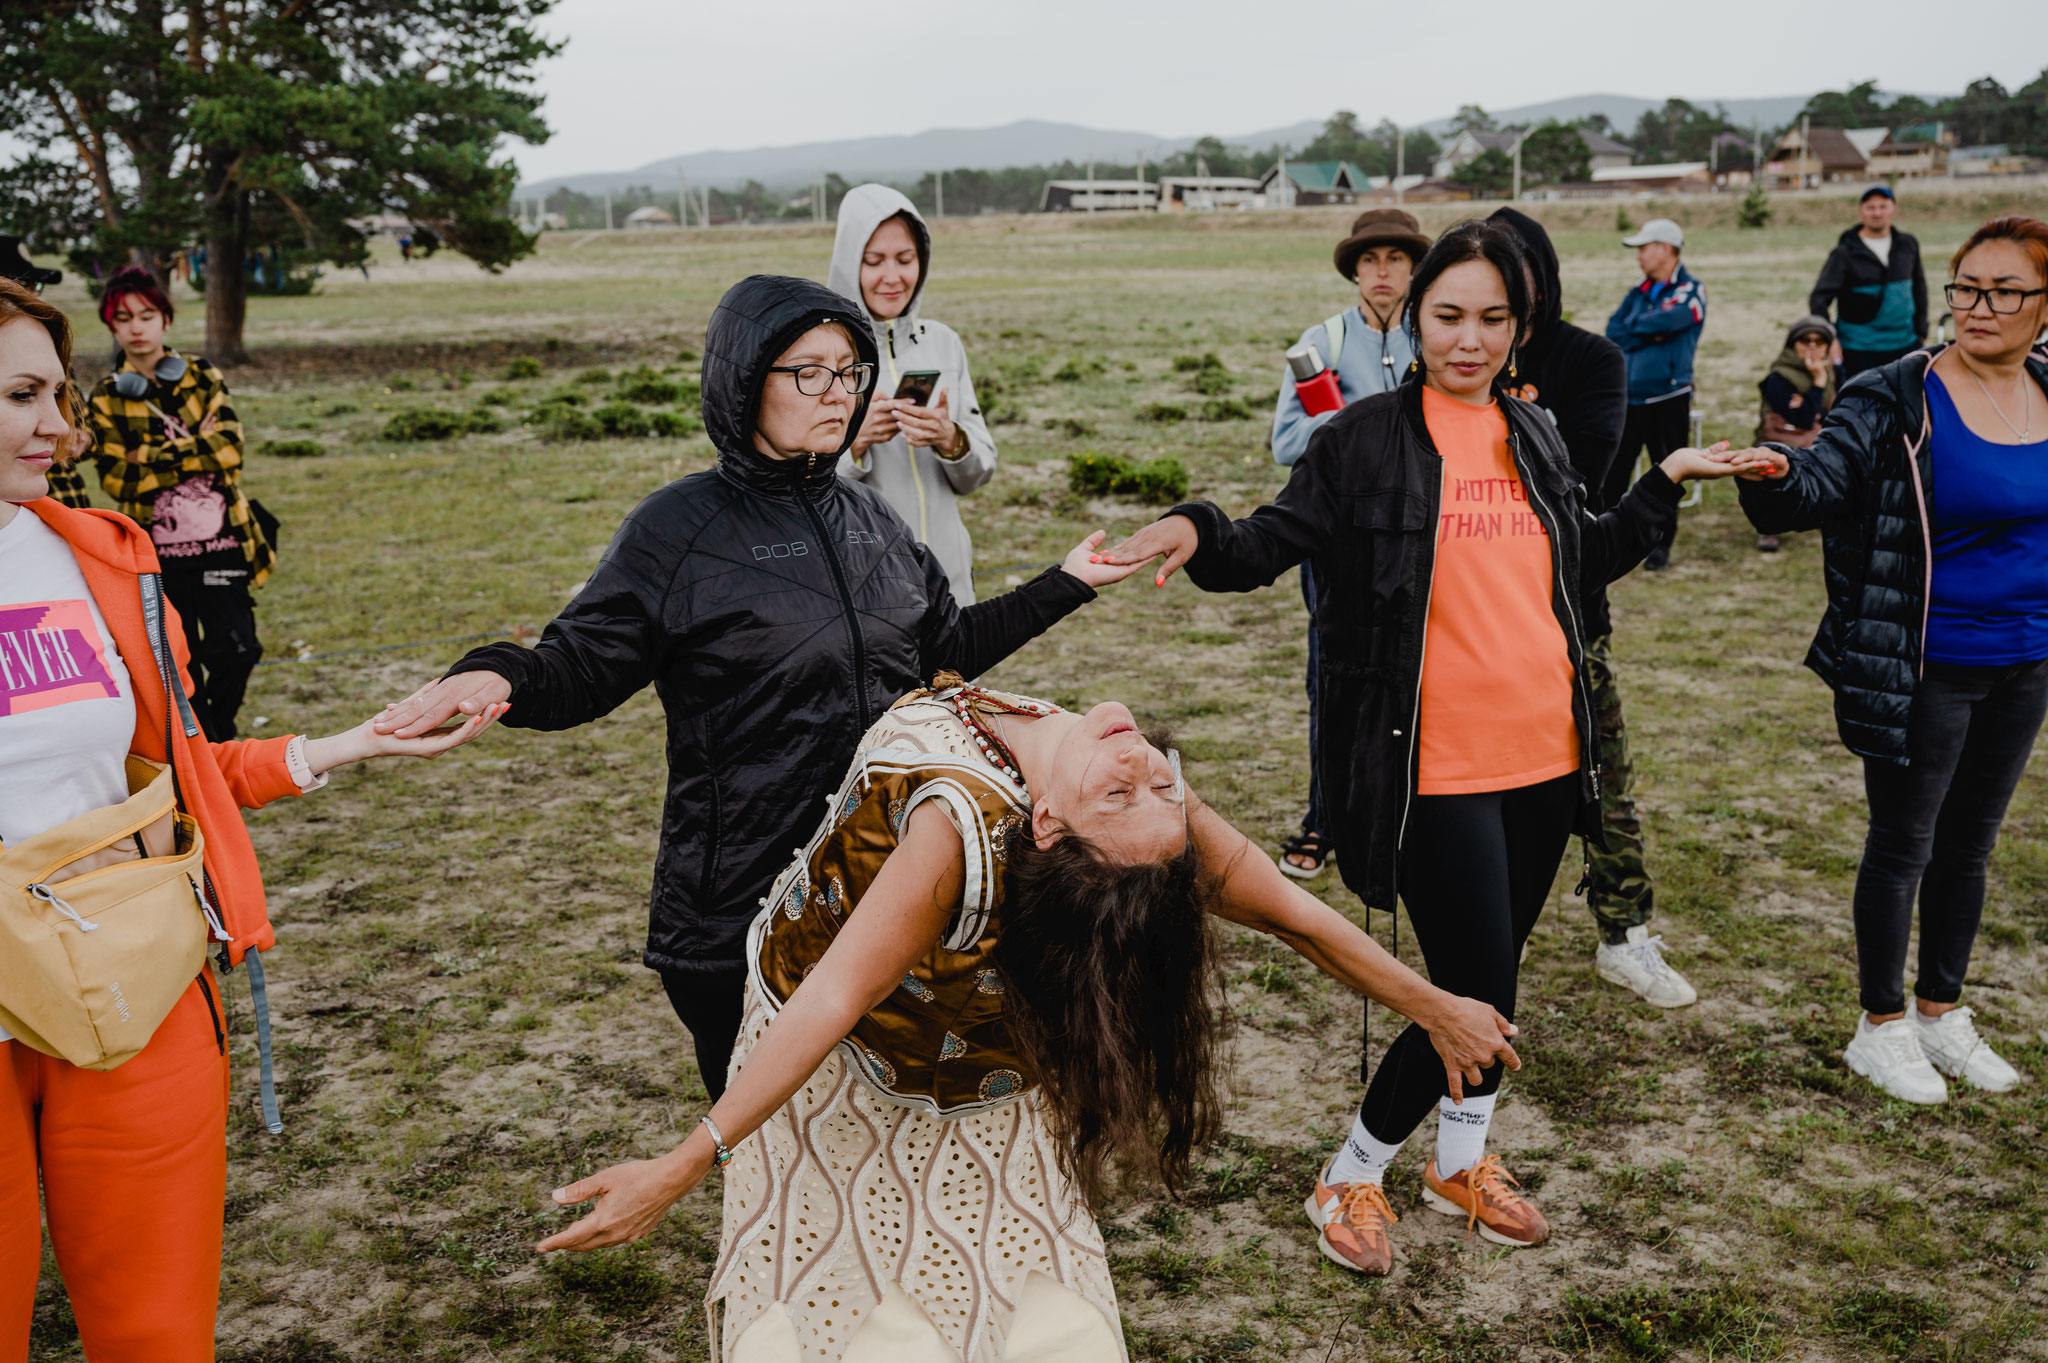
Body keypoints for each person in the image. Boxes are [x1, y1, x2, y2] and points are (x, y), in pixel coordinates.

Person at [1099, 220, 1761, 1270]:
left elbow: (1583, 556)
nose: (1469, 338)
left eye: (1491, 318)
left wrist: (1664, 479)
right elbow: (1271, 542)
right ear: (1413, 317)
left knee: (1491, 989)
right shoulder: (1361, 440)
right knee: (1467, 998)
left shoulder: (1531, 433)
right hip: (1433, 766)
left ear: (1519, 325)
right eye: (1447, 315)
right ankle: (1349, 1175)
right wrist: (1196, 526)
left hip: (1544, 758)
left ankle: (1459, 1161)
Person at [533, 677, 1525, 1359]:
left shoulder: (983, 825)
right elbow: (836, 1001)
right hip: (845, 1075)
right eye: (1141, 783)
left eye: (1142, 784)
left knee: (1028, 1318)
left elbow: (1287, 910)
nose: (1143, 763)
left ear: (1049, 824)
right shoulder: (1089, 810)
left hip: (976, 1084)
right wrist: (1437, 1005)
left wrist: (685, 1158)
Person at [374, 275, 1130, 1107]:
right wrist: (498, 670)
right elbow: (577, 667)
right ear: (743, 381)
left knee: (868, 1146)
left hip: (875, 886)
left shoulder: (873, 518)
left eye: (849, 371)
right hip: (735, 910)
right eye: (808, 372)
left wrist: (1067, 581)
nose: (837, 392)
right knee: (766, 1151)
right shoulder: (677, 529)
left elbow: (944, 651)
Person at [0, 276, 502, 1361]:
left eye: (58, 392)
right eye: (22, 396)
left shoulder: (98, 557)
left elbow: (185, 765)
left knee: (157, 1334)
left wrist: (346, 745)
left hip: (132, 985)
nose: (58, 425)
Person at [1735, 215, 2048, 1105]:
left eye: (2004, 292)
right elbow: (1826, 473)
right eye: (1965, 288)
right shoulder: (1897, 394)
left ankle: (1942, 1009)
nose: (1978, 308)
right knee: (1905, 842)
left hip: (2027, 657)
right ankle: (1880, 1025)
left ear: (2044, 307)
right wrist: (1775, 472)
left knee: (1974, 845)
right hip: (1922, 661)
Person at [1490, 208, 1696, 1009]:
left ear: (1539, 277)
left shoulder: (1590, 358)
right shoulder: (1453, 357)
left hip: (1568, 608)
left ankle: (1626, 935)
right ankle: (1482, 934)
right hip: (1466, 611)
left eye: (1512, 272)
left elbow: (1575, 478)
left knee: (1601, 769)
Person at [47, 266, 275, 743]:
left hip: (222, 546)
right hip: (159, 559)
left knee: (238, 649)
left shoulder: (202, 375)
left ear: (165, 319)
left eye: (147, 315)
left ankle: (221, 728)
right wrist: (196, 447)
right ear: (111, 326)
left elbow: (229, 452)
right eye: (124, 317)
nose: (136, 327)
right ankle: (210, 746)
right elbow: (118, 481)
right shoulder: (109, 397)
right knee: (179, 660)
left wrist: (146, 457)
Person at [1270, 208, 1428, 879]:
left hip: (1424, 536)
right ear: (1354, 269)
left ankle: (1412, 815)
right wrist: (1354, 422)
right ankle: (1324, 817)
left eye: (1396, 258)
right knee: (1334, 679)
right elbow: (1284, 444)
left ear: (1416, 267)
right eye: (1370, 260)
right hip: (1338, 545)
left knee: (1420, 675)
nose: (1384, 271)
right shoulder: (1323, 341)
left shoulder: (1438, 335)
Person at [831, 184, 996, 606]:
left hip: (951, 588)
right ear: (850, 264)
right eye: (873, 261)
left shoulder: (943, 343)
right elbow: (796, 486)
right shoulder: (824, 353)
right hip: (865, 595)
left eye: (906, 260)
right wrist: (855, 440)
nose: (893, 277)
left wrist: (950, 439)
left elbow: (977, 474)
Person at [1606, 218, 1706, 570]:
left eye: (1644, 249)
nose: (1639, 257)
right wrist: (1646, 329)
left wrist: (1645, 327)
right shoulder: (1638, 293)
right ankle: (1609, 540)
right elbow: (1614, 330)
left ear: (1665, 249)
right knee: (1614, 474)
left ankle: (1660, 547)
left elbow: (1669, 321)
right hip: (1628, 400)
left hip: (1668, 400)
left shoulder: (1691, 290)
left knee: (1668, 474)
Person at [1810, 186, 1928, 380]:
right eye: (1871, 207)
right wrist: (1830, 339)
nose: (1877, 212)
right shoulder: (1844, 253)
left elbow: (1919, 289)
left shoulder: (1908, 244)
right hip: (1858, 350)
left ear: (1894, 209)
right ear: (1861, 211)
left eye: (1883, 206)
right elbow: (1818, 299)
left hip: (1905, 345)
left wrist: (1921, 331)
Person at [1751, 315, 1841, 553]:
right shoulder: (1779, 376)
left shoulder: (1832, 372)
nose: (1812, 346)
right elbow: (1802, 419)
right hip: (1780, 440)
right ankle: (1769, 528)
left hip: (1816, 441)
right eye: (1805, 340)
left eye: (1819, 341)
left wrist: (1811, 397)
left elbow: (1835, 412)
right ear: (1792, 344)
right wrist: (1818, 384)